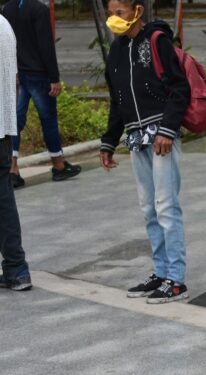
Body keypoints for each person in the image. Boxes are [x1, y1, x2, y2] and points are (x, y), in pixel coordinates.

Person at [99, 0, 191, 304]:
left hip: (162, 137)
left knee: (166, 207)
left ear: (137, 11)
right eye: (111, 13)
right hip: (136, 138)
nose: (114, 18)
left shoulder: (157, 41)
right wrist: (108, 142)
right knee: (148, 209)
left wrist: (167, 129)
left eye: (119, 13)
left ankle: (176, 279)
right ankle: (161, 272)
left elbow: (180, 89)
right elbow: (117, 101)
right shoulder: (115, 52)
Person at [1, 0, 82, 188]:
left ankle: (13, 170)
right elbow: (46, 45)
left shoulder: (8, 9)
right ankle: (59, 165)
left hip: (17, 75)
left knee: (14, 122)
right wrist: (54, 77)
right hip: (39, 75)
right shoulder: (39, 10)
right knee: (49, 120)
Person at [0, 14, 32, 292]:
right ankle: (17, 268)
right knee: (4, 202)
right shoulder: (4, 25)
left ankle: (16, 268)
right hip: (2, 129)